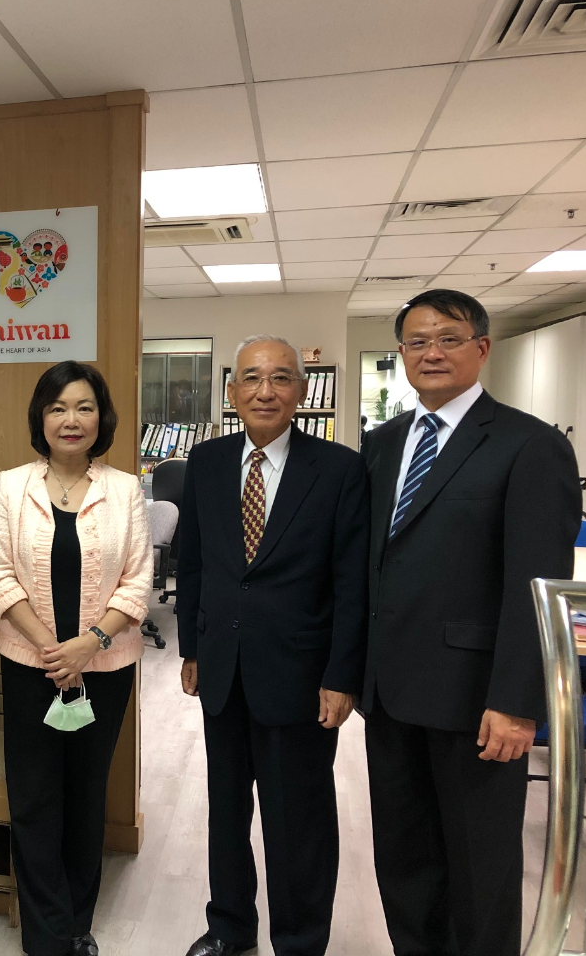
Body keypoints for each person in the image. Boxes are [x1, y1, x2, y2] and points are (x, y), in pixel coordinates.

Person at [361, 289, 580, 956]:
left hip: (476, 699)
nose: (432, 352)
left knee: (480, 868)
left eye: (449, 338)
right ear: (401, 354)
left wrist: (517, 703)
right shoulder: (382, 444)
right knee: (404, 860)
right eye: (417, 341)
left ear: (481, 348)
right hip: (392, 694)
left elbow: (537, 587)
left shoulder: (528, 444)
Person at [177, 335, 369, 956]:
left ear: (302, 390)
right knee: (224, 812)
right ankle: (231, 928)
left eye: (281, 378)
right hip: (223, 670)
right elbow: (196, 563)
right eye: (252, 379)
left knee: (298, 821)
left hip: (301, 676)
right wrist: (191, 648)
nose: (266, 391)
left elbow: (350, 581)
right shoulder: (204, 463)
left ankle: (300, 939)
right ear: (231, 391)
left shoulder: (338, 469)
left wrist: (343, 676)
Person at [0, 361, 151, 956]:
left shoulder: (126, 488)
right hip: (29, 667)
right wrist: (53, 651)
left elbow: (137, 583)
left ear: (101, 417)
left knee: (85, 796)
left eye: (83, 407)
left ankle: (77, 922)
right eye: (57, 408)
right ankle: (45, 932)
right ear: (41, 419)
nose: (71, 419)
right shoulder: (11, 485)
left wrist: (89, 644)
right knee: (33, 797)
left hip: (104, 669)